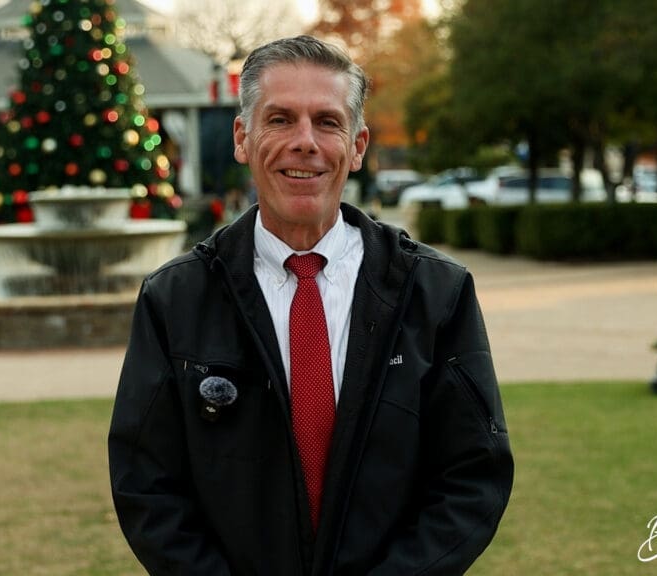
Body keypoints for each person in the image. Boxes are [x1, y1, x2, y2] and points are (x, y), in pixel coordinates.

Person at [109, 35, 513, 575]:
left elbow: (472, 475)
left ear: (359, 145)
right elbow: (147, 484)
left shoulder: (435, 293)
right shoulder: (175, 299)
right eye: (280, 119)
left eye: (327, 122)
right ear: (242, 138)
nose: (306, 142)